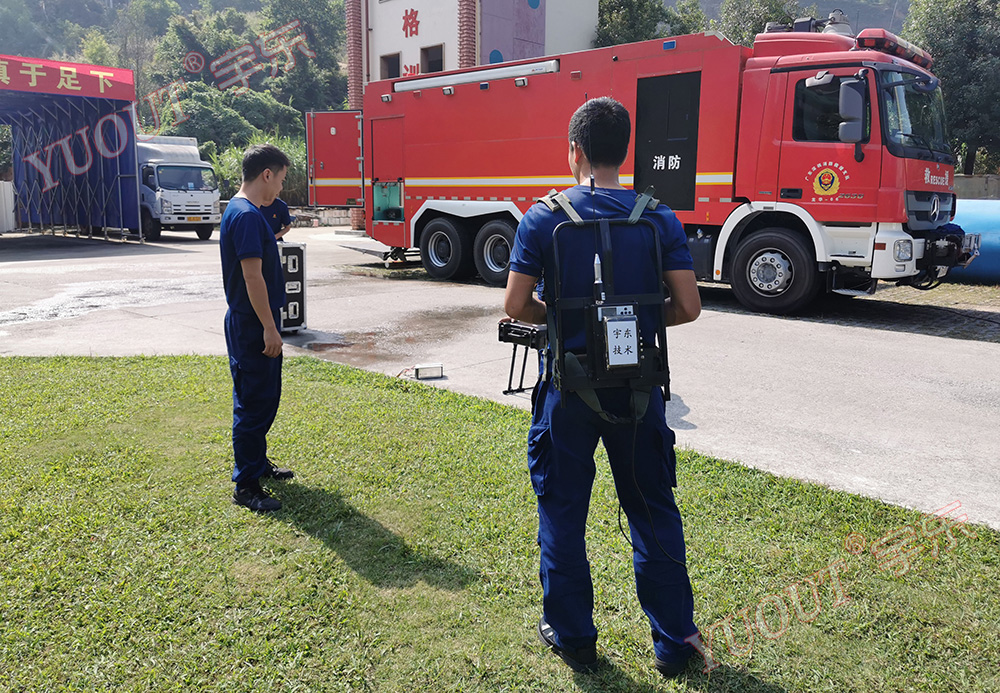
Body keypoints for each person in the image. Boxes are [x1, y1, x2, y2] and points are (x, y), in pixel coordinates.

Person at [503, 97, 703, 678]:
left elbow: (515, 304)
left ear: (575, 151)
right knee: (653, 510)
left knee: (563, 512)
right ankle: (675, 644)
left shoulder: (544, 219)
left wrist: (568, 322)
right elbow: (688, 306)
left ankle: (573, 638)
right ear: (625, 150)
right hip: (639, 389)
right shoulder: (658, 218)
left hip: (567, 392)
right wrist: (632, 323)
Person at [220, 144, 296, 513]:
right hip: (253, 323)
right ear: (267, 174)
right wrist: (269, 326)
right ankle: (246, 485)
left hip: (253, 320)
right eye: (280, 180)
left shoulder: (242, 211)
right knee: (252, 403)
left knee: (263, 397)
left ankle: (257, 462)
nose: (280, 188)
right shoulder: (248, 216)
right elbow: (252, 277)